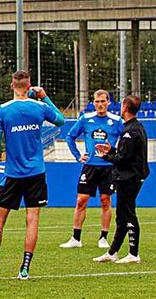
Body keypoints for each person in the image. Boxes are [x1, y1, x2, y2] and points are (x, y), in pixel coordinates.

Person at [0, 72, 65, 281]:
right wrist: (44, 96)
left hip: (13, 173)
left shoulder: (3, 110)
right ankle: (24, 270)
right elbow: (60, 121)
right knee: (32, 220)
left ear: (12, 85)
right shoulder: (39, 107)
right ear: (30, 85)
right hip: (36, 172)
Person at [60, 89, 123, 249]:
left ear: (109, 102)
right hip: (89, 167)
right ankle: (76, 238)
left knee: (105, 201)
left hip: (108, 167)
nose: (100, 104)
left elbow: (125, 141)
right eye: (97, 101)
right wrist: (77, 155)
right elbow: (70, 136)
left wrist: (116, 156)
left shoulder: (116, 121)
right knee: (81, 201)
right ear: (93, 103)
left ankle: (103, 237)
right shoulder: (85, 119)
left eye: (103, 101)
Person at [92, 95, 149, 264]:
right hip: (130, 176)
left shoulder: (130, 131)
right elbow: (125, 153)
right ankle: (113, 252)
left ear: (125, 107)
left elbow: (123, 158)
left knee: (128, 213)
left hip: (129, 178)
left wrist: (105, 156)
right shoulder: (135, 128)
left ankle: (133, 253)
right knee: (122, 215)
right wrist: (111, 150)